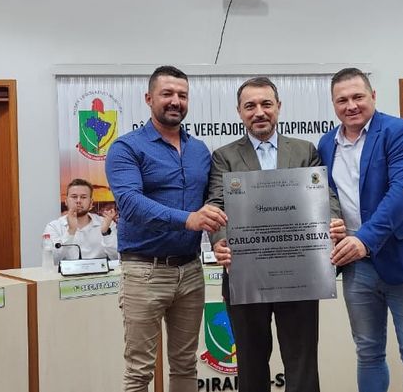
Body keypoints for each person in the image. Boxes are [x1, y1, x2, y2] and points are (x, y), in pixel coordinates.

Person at [207, 77, 345, 392]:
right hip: (245, 274)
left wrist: (334, 220)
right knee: (251, 364)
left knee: (302, 362)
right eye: (250, 106)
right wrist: (220, 240)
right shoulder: (224, 156)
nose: (259, 112)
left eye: (266, 104)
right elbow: (216, 204)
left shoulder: (304, 150)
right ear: (239, 112)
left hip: (300, 274)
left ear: (278, 107)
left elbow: (324, 195)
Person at [317, 68, 403, 392]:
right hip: (357, 266)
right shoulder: (327, 144)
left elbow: (402, 193)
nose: (351, 105)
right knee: (368, 353)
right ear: (333, 104)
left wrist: (364, 239)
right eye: (342, 100)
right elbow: (327, 196)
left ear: (373, 96)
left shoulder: (402, 132)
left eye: (358, 97)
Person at [106, 65, 228, 392]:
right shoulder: (126, 148)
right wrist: (187, 219)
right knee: (139, 371)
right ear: (149, 99)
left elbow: (213, 204)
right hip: (144, 271)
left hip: (190, 271)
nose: (175, 101)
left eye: (182, 95)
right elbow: (130, 203)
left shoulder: (200, 151)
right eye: (167, 94)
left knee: (186, 364)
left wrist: (220, 239)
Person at [44, 178, 118, 263]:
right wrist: (70, 231)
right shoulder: (53, 227)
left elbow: (116, 258)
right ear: (66, 201)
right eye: (74, 197)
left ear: (91, 202)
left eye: (83, 197)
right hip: (67, 272)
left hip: (99, 271)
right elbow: (52, 260)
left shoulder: (107, 224)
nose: (78, 201)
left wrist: (105, 233)